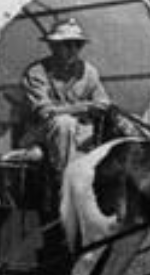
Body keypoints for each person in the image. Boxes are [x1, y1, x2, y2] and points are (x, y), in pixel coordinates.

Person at [21, 19, 114, 176]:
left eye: (78, 45)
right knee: (64, 123)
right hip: (43, 133)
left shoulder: (88, 71)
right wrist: (84, 107)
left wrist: (101, 106)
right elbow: (45, 112)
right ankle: (64, 182)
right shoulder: (37, 72)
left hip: (82, 133)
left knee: (123, 121)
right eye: (67, 45)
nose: (73, 50)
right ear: (53, 46)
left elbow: (103, 101)